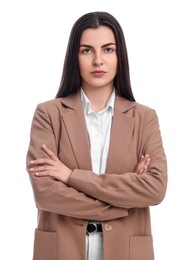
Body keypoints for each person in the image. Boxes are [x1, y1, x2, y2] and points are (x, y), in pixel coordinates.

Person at [26, 11, 167, 260]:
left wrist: (71, 176)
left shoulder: (145, 118)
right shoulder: (48, 114)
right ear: (74, 57)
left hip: (127, 251)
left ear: (119, 55)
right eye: (87, 50)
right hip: (61, 251)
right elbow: (46, 193)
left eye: (108, 49)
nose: (98, 60)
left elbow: (155, 189)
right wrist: (124, 197)